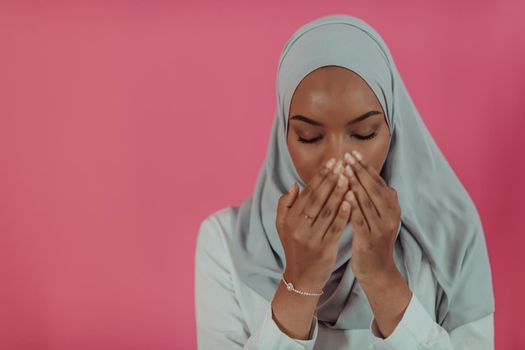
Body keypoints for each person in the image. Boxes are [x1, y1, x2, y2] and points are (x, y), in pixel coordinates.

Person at [194, 13, 495, 350]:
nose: (337, 162)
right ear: (284, 137)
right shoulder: (226, 243)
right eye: (309, 136)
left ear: (393, 127)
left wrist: (383, 278)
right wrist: (299, 280)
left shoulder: (450, 237)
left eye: (364, 133)